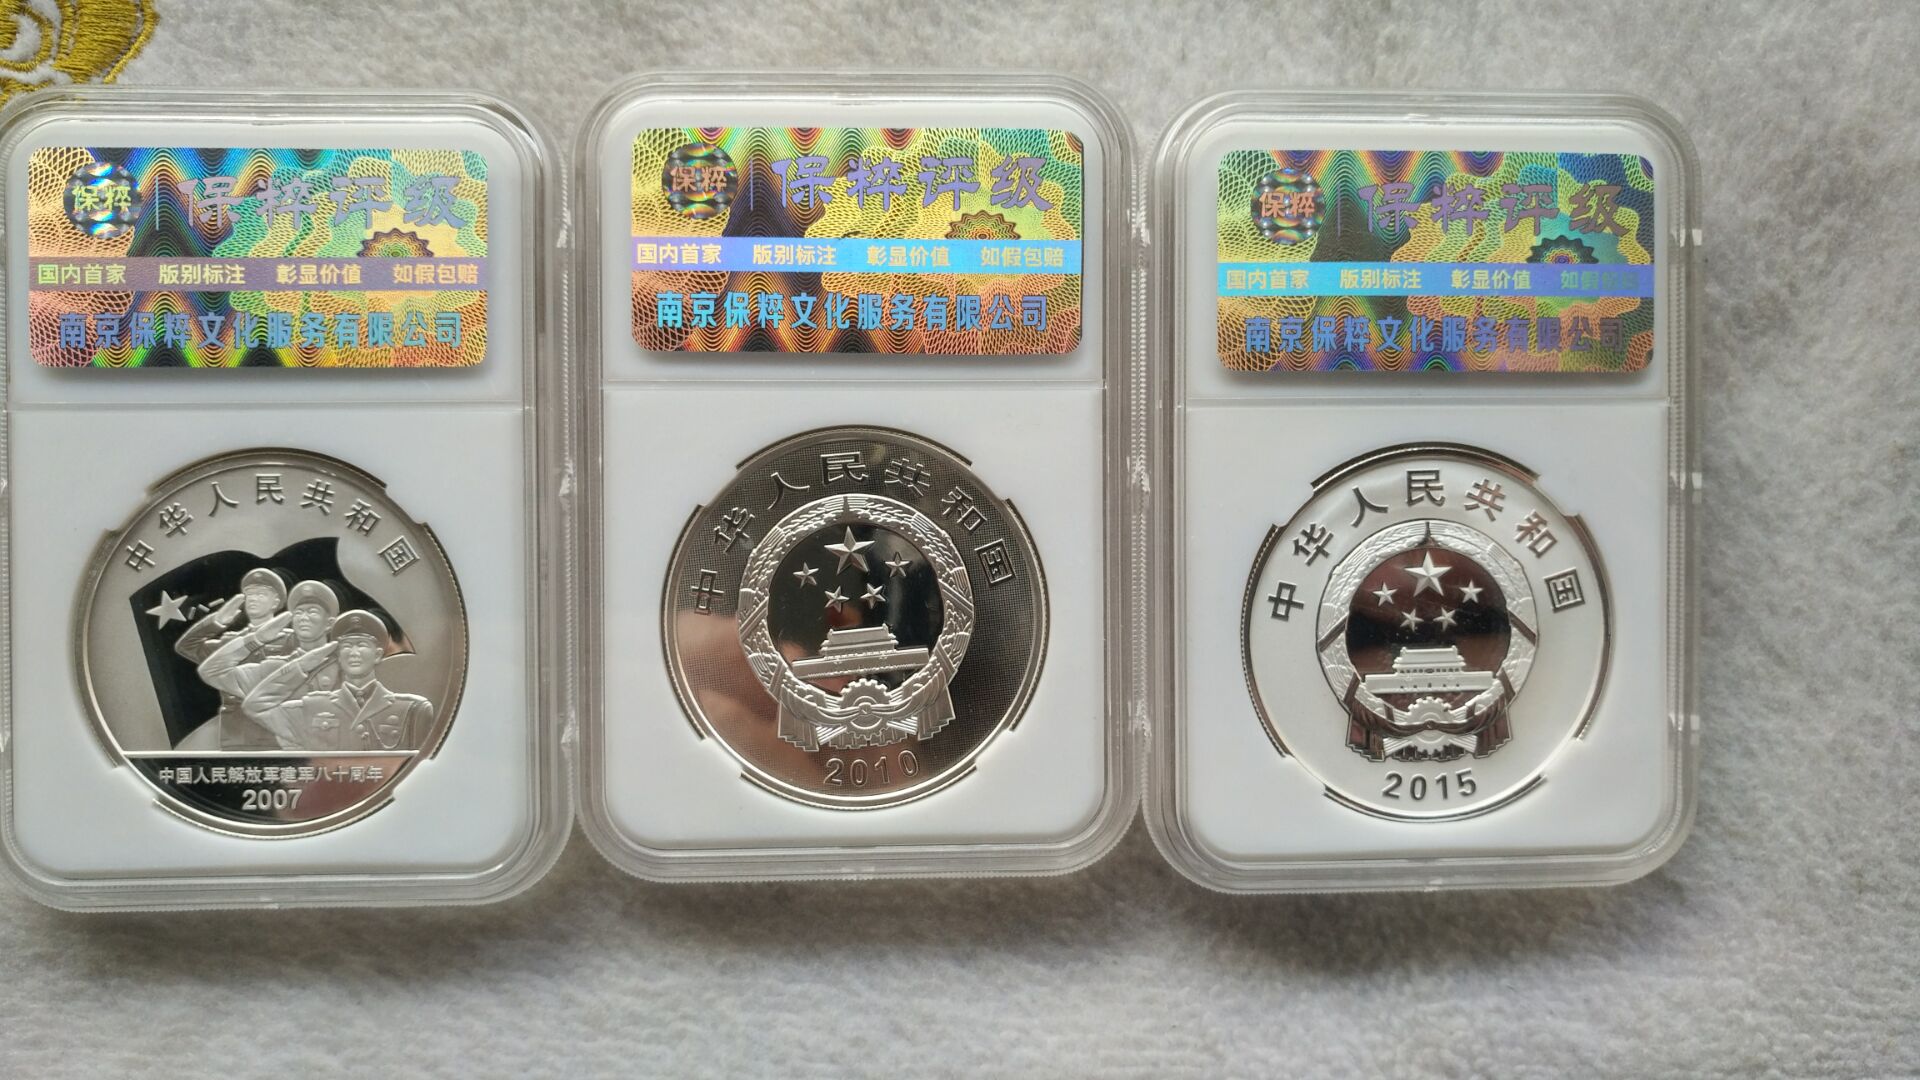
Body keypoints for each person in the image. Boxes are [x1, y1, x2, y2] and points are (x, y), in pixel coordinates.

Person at [241, 609, 434, 752]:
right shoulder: (312, 707)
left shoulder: (411, 710)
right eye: (347, 646)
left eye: (362, 645)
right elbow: (256, 707)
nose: (354, 652)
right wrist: (300, 666)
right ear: (338, 656)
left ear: (377, 655)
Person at [172, 567, 293, 750]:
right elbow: (186, 647)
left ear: (275, 602)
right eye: (249, 594)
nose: (253, 599)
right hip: (238, 731)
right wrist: (216, 622)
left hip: (278, 729)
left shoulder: (290, 639)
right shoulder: (229, 642)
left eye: (261, 594)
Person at [196, 580, 341, 714]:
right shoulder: (273, 668)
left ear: (329, 623)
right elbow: (212, 672)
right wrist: (256, 639)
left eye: (312, 611)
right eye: (298, 612)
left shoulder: (343, 663)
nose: (303, 618)